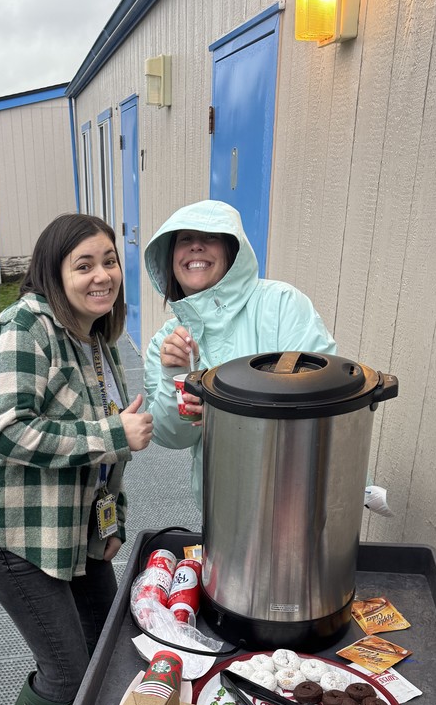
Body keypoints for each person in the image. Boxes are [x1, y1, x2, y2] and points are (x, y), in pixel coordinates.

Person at [0, 213, 153, 705]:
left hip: (75, 531)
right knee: (67, 671)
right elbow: (7, 431)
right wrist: (113, 433)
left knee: (106, 651)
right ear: (53, 271)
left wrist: (111, 524)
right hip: (15, 532)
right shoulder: (22, 328)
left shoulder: (97, 340)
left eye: (109, 261)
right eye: (84, 265)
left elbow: (107, 449)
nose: (102, 275)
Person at [143, 200, 336, 506]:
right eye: (185, 239)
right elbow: (172, 436)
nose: (196, 247)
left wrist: (222, 409)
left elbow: (323, 393)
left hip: (296, 489)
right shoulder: (165, 343)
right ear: (170, 257)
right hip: (220, 499)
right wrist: (175, 377)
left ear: (232, 250)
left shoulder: (281, 305)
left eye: (210, 237)